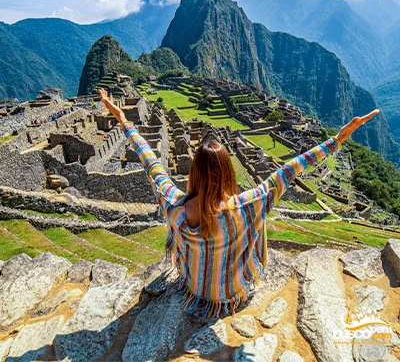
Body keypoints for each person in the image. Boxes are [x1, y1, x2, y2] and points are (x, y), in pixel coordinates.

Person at [98, 88, 379, 318]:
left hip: (194, 288)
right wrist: (337, 139)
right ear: (227, 172)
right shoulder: (246, 206)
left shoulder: (174, 204)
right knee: (258, 221)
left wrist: (123, 120)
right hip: (232, 293)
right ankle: (236, 273)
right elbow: (289, 170)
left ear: (194, 171)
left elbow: (150, 162)